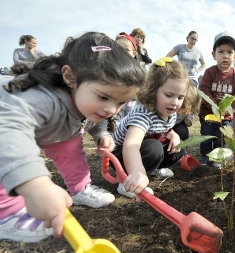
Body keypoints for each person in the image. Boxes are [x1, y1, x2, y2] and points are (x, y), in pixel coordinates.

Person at [0, 32, 146, 242]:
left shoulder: (84, 98)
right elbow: (8, 133)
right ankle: (8, 213)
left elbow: (95, 120)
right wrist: (35, 186)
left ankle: (79, 188)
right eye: (104, 97)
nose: (112, 109)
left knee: (70, 148)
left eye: (121, 103)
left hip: (57, 128)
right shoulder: (42, 98)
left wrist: (101, 133)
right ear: (70, 77)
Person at [112, 57, 198, 199]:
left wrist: (174, 136)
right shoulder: (143, 114)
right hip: (121, 156)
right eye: (169, 95)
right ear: (153, 91)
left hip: (141, 151)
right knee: (154, 147)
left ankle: (152, 169)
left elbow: (165, 130)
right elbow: (131, 145)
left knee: (179, 146)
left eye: (180, 97)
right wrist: (137, 172)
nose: (175, 102)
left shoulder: (170, 113)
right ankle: (127, 182)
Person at [198, 31, 235, 168]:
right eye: (221, 52)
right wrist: (215, 107)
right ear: (214, 55)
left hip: (225, 116)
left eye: (229, 52)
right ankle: (204, 157)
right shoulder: (210, 72)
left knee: (221, 138)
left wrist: (229, 109)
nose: (225, 56)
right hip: (207, 114)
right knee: (206, 136)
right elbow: (204, 91)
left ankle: (217, 159)